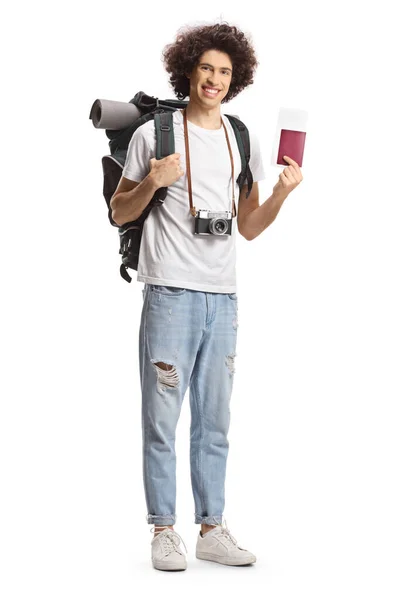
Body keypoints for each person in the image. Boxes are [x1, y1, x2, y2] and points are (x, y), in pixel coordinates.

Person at [110, 22, 303, 571]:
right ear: (188, 70)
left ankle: (212, 526)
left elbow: (249, 226)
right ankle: (164, 530)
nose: (214, 79)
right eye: (206, 69)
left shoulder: (241, 138)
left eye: (225, 71)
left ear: (235, 78)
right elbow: (118, 211)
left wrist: (283, 196)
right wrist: (153, 181)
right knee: (161, 417)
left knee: (215, 420)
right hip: (170, 292)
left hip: (224, 298)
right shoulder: (156, 134)